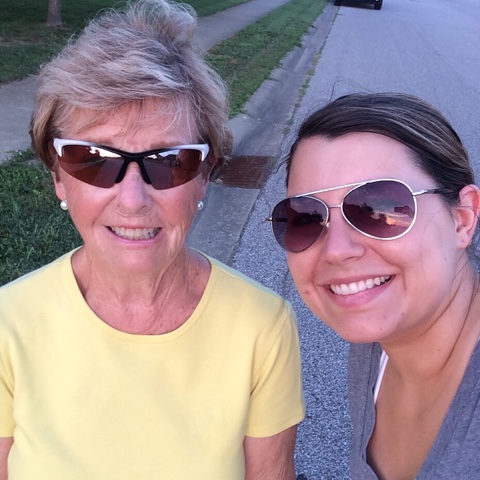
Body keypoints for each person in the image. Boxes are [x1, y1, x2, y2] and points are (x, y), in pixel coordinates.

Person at [0, 1, 305, 478]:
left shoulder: (262, 327)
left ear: (204, 176)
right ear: (58, 175)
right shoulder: (8, 325)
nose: (132, 200)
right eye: (93, 159)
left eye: (169, 162)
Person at [268, 92, 480, 479]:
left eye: (380, 208)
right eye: (305, 218)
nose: (336, 250)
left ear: (462, 219)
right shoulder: (375, 350)